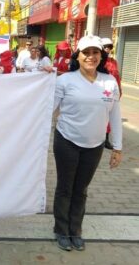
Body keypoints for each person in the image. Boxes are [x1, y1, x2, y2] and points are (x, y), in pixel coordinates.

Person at [52, 35, 122, 251]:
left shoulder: (109, 82)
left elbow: (116, 116)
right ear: (78, 56)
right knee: (65, 188)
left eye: (95, 53)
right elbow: (46, 110)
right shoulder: (65, 80)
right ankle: (61, 230)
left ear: (101, 56)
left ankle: (76, 230)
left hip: (95, 145)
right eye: (86, 52)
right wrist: (42, 79)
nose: (91, 57)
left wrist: (117, 147)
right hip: (67, 141)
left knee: (81, 189)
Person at [101, 38, 122, 150]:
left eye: (109, 47)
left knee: (110, 116)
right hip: (103, 91)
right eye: (105, 47)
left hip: (113, 90)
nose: (107, 49)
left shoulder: (113, 61)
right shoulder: (99, 61)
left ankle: (106, 138)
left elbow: (117, 76)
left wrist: (119, 90)